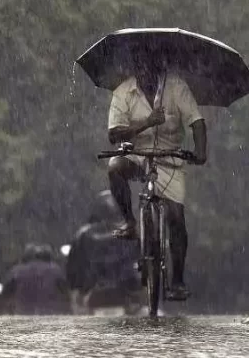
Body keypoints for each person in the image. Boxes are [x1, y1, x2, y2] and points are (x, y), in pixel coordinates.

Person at [106, 51, 207, 301]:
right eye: (142, 70)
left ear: (161, 69)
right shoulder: (123, 92)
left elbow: (197, 121)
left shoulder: (177, 88)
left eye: (153, 70)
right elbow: (114, 134)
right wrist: (147, 123)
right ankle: (130, 222)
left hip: (169, 158)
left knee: (176, 218)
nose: (147, 75)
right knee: (115, 167)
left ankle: (178, 280)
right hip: (137, 155)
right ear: (136, 71)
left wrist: (200, 152)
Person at [66, 190, 143, 314]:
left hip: (92, 292)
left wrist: (77, 289)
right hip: (125, 293)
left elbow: (73, 267)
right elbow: (140, 263)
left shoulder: (83, 234)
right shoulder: (130, 233)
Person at [0, 243, 70, 315]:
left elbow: (6, 293)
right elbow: (65, 292)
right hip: (49, 313)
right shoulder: (56, 270)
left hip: (23, 311)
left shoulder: (17, 271)